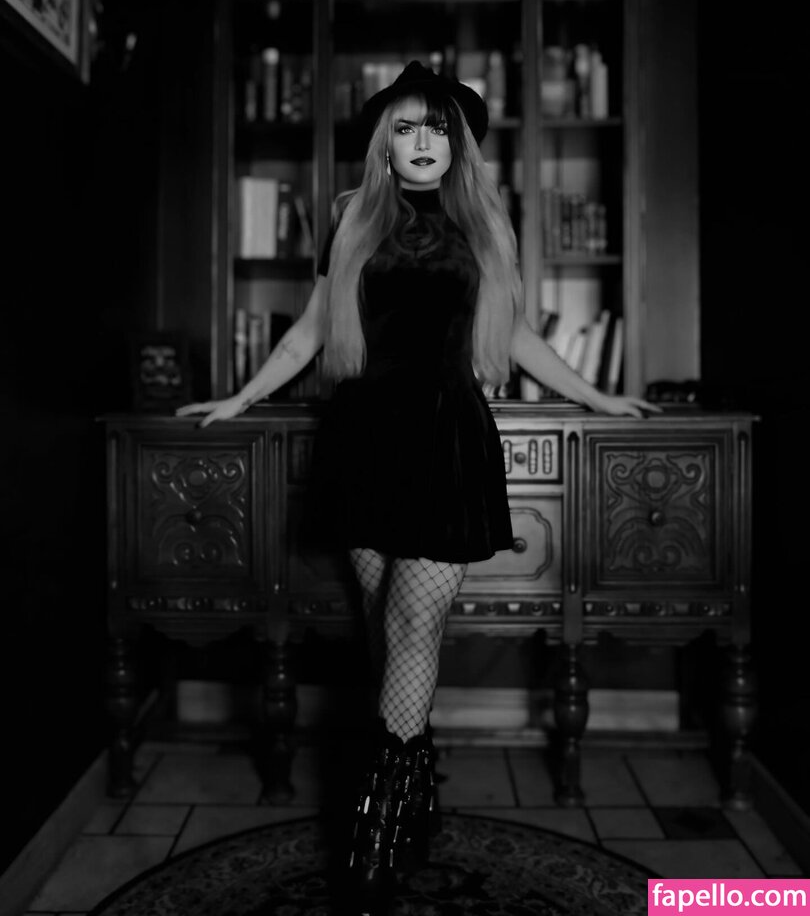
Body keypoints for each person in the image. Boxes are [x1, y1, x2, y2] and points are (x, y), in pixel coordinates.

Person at [176, 60, 660, 913]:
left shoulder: (485, 221)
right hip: (364, 436)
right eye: (405, 127)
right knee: (381, 630)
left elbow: (515, 337)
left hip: (446, 438)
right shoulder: (351, 216)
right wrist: (240, 398)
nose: (423, 141)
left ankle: (375, 832)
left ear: (458, 143)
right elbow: (310, 331)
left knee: (412, 623)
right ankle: (417, 794)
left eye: (437, 126)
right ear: (385, 145)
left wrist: (596, 395)